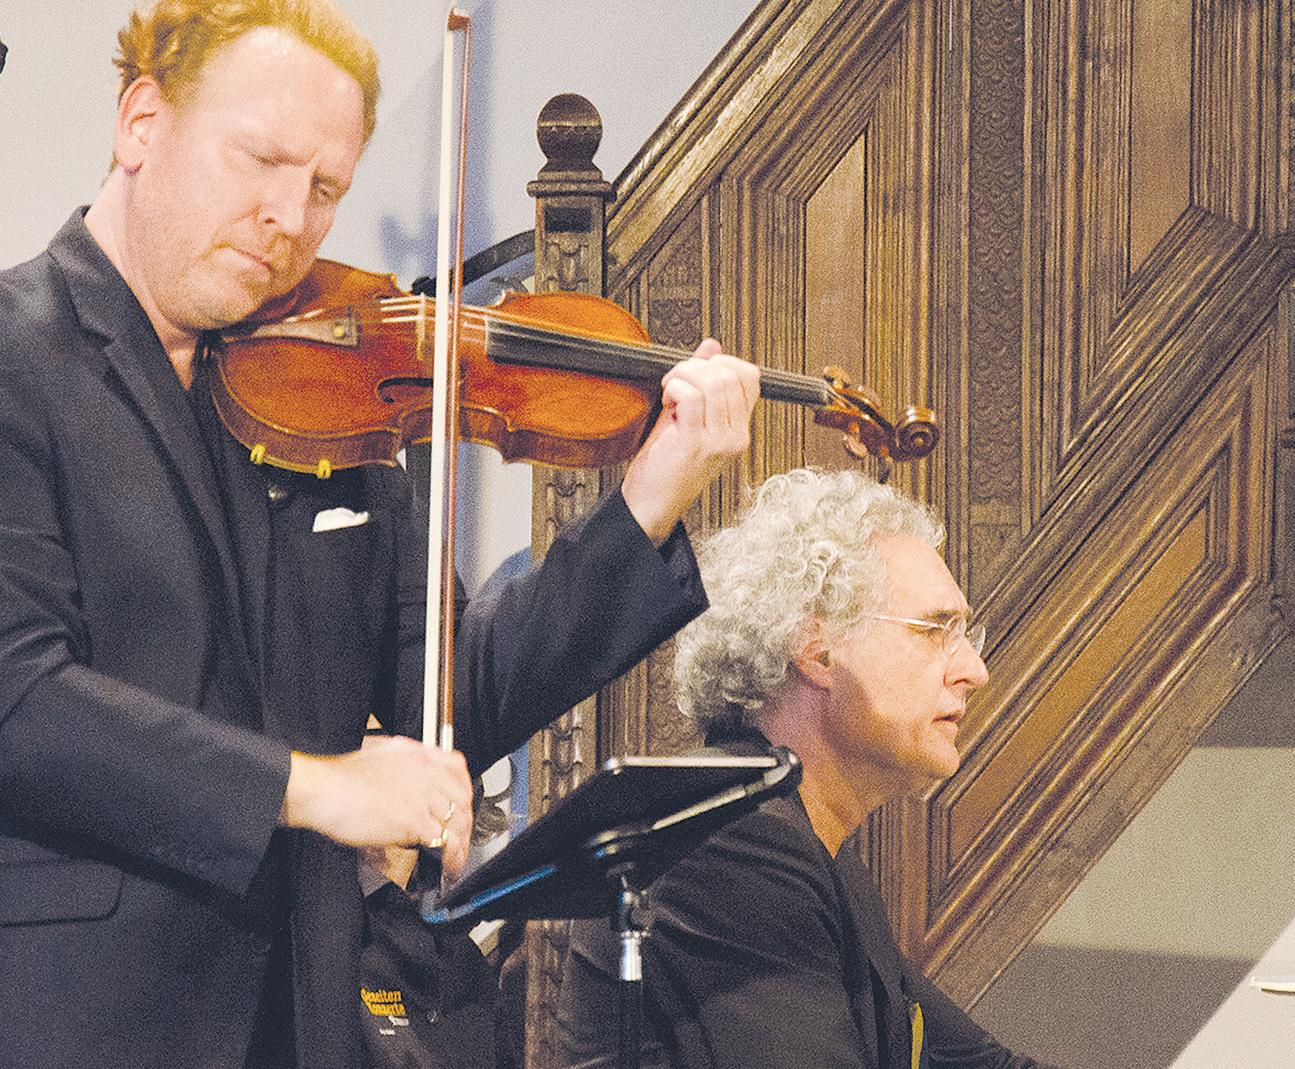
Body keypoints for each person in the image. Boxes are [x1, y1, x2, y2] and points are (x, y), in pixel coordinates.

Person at [0, 2, 759, 1067]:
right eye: (260, 159)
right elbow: (20, 699)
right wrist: (316, 784)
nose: (289, 217)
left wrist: (648, 501)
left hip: (310, 1017)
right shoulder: (17, 357)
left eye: (325, 188)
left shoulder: (330, 394)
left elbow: (449, 699)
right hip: (83, 1018)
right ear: (142, 123)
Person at [555, 468, 1061, 1069]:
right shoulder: (728, 838)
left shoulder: (815, 845)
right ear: (817, 650)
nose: (975, 670)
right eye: (934, 631)